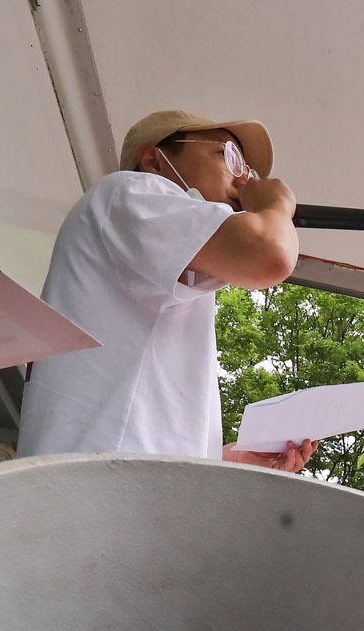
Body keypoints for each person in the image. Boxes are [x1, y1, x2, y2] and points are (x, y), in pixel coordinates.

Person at [18, 109, 317, 471]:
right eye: (230, 157)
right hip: (100, 485)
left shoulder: (152, 257)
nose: (244, 182)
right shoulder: (128, 191)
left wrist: (228, 459)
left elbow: (136, 411)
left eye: (250, 172)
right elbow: (270, 255)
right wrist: (276, 206)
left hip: (108, 482)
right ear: (154, 160)